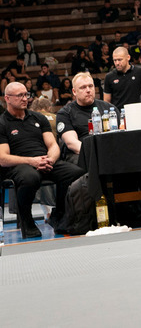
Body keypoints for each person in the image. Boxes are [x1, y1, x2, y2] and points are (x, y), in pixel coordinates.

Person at [0, 82, 86, 238]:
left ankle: (59, 215)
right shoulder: (2, 123)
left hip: (45, 161)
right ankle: (27, 220)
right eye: (20, 95)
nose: (25, 99)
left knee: (76, 173)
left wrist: (50, 160)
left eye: (26, 94)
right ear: (7, 98)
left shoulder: (38, 117)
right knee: (30, 177)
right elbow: (3, 158)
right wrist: (32, 161)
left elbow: (53, 145)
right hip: (20, 165)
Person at [55, 72, 114, 164]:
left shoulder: (109, 108)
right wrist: (96, 152)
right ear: (74, 92)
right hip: (80, 154)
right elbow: (72, 143)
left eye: (90, 86)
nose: (88, 90)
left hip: (108, 149)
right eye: (83, 87)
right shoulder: (65, 113)